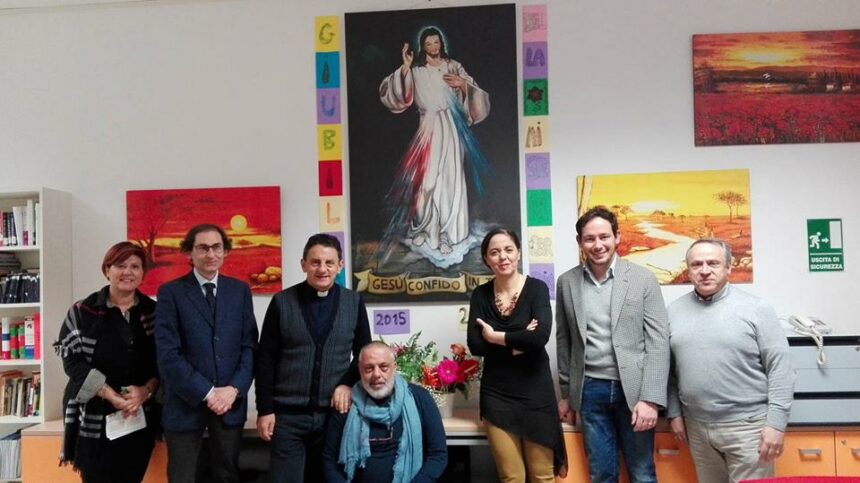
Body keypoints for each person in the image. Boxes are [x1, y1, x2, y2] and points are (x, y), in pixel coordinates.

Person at [555, 206, 669, 483]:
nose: (598, 245)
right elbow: (564, 340)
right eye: (589, 238)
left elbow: (658, 342)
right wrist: (567, 394)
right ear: (580, 242)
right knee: (602, 474)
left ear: (617, 237)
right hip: (590, 390)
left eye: (604, 236)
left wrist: (651, 399)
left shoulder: (642, 279)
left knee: (642, 473)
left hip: (635, 392)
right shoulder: (567, 282)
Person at [667, 238, 794, 483]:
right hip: (697, 427)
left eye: (713, 263)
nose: (705, 270)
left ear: (728, 267)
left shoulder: (757, 309)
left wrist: (776, 425)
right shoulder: (673, 311)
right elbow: (670, 371)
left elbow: (781, 370)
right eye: (696, 264)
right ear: (688, 270)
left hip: (749, 428)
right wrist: (674, 413)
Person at [255, 233, 371, 483]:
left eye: (329, 263)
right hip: (287, 418)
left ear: (340, 265)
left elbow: (365, 355)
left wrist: (346, 384)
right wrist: (265, 410)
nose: (322, 269)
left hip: (334, 415)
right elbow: (265, 359)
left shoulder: (354, 302)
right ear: (303, 264)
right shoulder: (281, 302)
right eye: (315, 262)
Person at [155, 224, 258, 483]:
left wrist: (234, 389)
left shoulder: (240, 291)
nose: (210, 254)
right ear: (189, 252)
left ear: (225, 252)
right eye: (203, 248)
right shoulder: (170, 293)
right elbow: (168, 354)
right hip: (184, 405)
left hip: (229, 405)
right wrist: (208, 392)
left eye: (216, 247)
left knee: (226, 476)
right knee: (183, 477)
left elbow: (249, 347)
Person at [379, 26, 491, 257]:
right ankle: (425, 228)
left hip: (451, 127)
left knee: (450, 180)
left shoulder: (453, 66)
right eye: (428, 43)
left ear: (442, 43)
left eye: (436, 42)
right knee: (427, 182)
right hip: (428, 127)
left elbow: (476, 94)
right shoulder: (417, 70)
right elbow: (397, 97)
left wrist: (462, 85)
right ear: (423, 46)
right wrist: (405, 67)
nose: (433, 47)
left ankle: (447, 234)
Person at [467, 228, 567, 482]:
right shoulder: (480, 295)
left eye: (508, 250)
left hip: (536, 394)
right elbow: (475, 345)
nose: (503, 256)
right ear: (486, 259)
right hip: (497, 396)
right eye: (495, 252)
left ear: (519, 253)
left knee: (542, 476)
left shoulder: (537, 289)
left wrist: (494, 337)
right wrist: (519, 341)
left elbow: (540, 337)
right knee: (512, 477)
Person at [56, 241, 159, 483]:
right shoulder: (82, 311)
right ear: (107, 270)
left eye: (135, 266)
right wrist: (109, 394)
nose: (128, 272)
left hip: (139, 414)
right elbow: (72, 363)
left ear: (143, 273)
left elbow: (164, 362)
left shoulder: (155, 312)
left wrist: (145, 392)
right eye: (120, 265)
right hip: (93, 416)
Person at [322, 341, 448, 482]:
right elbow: (329, 461)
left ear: (394, 368)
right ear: (360, 371)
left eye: (383, 367)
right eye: (369, 368)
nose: (377, 374)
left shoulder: (419, 398)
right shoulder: (346, 403)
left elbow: (438, 455)